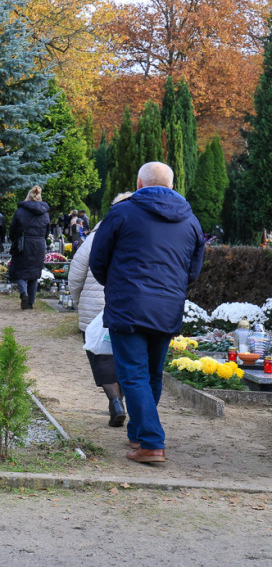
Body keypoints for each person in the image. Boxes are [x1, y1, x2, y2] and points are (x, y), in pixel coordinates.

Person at [90, 162, 205, 464]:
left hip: (128, 305)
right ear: (171, 185)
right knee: (152, 374)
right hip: (167, 308)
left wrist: (115, 285)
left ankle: (152, 443)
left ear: (139, 183)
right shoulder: (190, 220)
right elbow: (193, 270)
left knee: (133, 375)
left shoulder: (122, 213)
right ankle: (139, 432)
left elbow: (98, 258)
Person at [69, 193, 133, 428]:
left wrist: (78, 303)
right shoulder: (141, 236)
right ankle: (120, 401)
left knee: (102, 358)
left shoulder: (96, 236)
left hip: (94, 309)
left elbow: (76, 274)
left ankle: (115, 402)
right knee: (127, 357)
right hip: (130, 307)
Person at [9, 185, 50, 310]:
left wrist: (15, 240)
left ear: (28, 196)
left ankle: (23, 292)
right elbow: (47, 231)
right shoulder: (45, 213)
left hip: (23, 243)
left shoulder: (20, 211)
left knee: (20, 272)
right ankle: (30, 303)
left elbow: (12, 230)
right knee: (34, 274)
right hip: (39, 244)